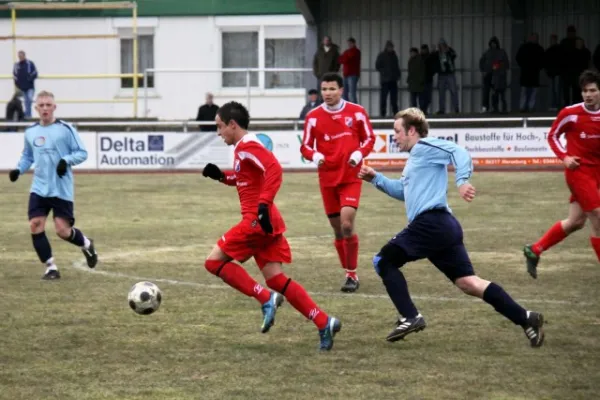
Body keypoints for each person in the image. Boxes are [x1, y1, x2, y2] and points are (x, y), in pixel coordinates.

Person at [358, 107, 545, 348]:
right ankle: (526, 318)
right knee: (469, 283)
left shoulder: (425, 147)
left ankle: (410, 316)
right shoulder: (415, 159)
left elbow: (460, 152)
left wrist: (462, 180)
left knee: (383, 261)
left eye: (397, 131)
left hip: (431, 224)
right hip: (441, 228)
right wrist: (376, 178)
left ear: (411, 130)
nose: (394, 136)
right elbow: (404, 192)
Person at [201, 101, 341, 351]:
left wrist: (264, 204)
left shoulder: (248, 147)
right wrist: (221, 176)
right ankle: (324, 322)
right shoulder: (243, 149)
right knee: (276, 279)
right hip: (266, 222)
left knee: (213, 262)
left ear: (233, 125)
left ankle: (265, 298)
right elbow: (246, 179)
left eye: (220, 126)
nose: (218, 132)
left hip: (256, 221)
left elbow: (274, 168)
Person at [8, 91, 98, 280]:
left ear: (54, 107)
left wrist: (66, 160)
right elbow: (27, 156)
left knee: (62, 231)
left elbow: (82, 152)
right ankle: (51, 268)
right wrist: (19, 170)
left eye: (49, 105)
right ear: (36, 108)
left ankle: (87, 245)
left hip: (61, 188)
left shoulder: (65, 129)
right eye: (42, 105)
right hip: (39, 187)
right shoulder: (31, 132)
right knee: (35, 225)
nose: (45, 109)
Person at [300, 72, 375, 292]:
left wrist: (358, 154)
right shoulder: (313, 116)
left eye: (332, 89)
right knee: (337, 231)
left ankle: (352, 275)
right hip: (327, 179)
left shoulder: (357, 112)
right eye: (324, 89)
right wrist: (315, 156)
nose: (328, 93)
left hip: (351, 176)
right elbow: (305, 146)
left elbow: (369, 138)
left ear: (341, 90)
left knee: (347, 225)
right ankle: (348, 270)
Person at [523, 70, 600, 277]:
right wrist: (565, 157)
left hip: (597, 174)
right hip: (579, 172)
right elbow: (553, 136)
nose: (588, 95)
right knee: (598, 217)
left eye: (592, 90)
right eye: (585, 91)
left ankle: (535, 249)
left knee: (576, 221)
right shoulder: (571, 113)